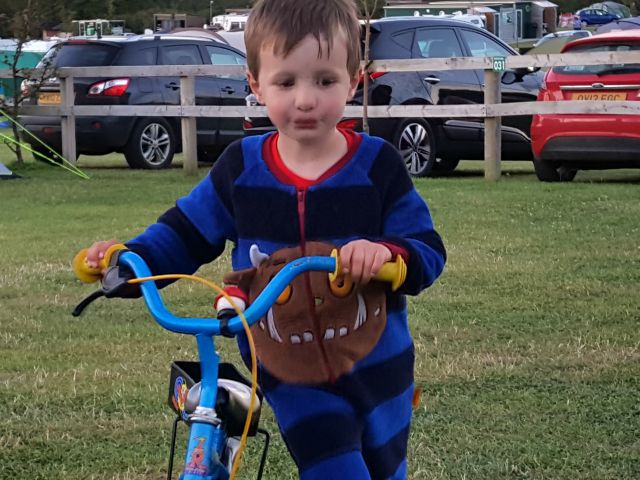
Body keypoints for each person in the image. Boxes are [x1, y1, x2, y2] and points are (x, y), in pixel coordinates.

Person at [84, 0, 446, 478]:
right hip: (288, 368)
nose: (305, 100)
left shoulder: (378, 166)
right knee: (334, 467)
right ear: (255, 85)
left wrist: (387, 254)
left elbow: (426, 249)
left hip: (378, 367)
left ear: (355, 80)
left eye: (325, 80)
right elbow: (185, 232)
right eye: (286, 82)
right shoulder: (241, 168)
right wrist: (131, 261)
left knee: (384, 467)